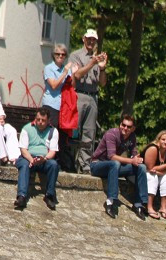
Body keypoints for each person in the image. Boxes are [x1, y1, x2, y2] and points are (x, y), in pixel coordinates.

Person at [91, 113, 149, 220]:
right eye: (123, 125)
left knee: (142, 167)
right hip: (98, 165)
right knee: (115, 163)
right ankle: (110, 201)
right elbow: (112, 156)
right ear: (120, 124)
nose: (125, 128)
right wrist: (132, 160)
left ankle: (139, 204)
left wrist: (138, 159)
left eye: (129, 127)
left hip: (114, 168)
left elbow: (133, 153)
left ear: (133, 128)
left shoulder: (132, 137)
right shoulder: (111, 134)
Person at [69, 28, 108, 174]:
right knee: (73, 131)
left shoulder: (98, 58)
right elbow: (77, 75)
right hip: (78, 94)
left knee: (89, 133)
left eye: (94, 39)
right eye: (89, 39)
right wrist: (92, 63)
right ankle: (69, 163)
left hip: (93, 96)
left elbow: (102, 83)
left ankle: (85, 165)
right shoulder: (76, 56)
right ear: (83, 39)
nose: (91, 42)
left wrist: (102, 68)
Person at [14, 107, 60, 211]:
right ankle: (21, 196)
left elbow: (52, 152)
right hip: (27, 158)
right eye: (38, 119)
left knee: (53, 165)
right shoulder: (27, 128)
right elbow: (23, 149)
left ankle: (49, 195)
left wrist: (44, 159)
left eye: (43, 120)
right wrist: (31, 160)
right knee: (24, 165)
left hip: (44, 159)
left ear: (48, 121)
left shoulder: (53, 131)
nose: (40, 122)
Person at [41, 44, 73, 167]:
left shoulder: (67, 69)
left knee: (62, 135)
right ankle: (46, 159)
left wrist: (73, 74)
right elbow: (54, 85)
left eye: (63, 54)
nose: (60, 56)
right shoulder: (49, 68)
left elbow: (72, 85)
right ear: (53, 55)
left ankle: (60, 162)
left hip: (63, 107)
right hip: (51, 105)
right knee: (51, 133)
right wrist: (65, 73)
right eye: (58, 54)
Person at [143, 130, 166, 219]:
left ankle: (163, 208)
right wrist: (165, 165)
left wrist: (158, 171)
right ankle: (149, 206)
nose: (165, 142)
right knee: (152, 177)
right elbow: (150, 168)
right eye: (163, 139)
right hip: (143, 173)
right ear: (158, 140)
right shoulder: (153, 148)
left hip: (158, 173)